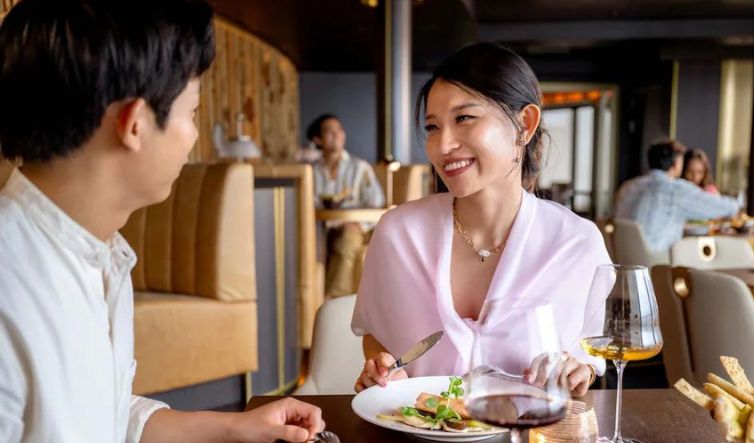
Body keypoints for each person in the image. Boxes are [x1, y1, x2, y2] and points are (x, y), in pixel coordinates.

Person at [0, 1, 324, 442]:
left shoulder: (102, 257)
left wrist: (236, 427)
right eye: (192, 113)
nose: (192, 136)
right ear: (134, 124)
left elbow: (107, 417)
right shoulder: (12, 288)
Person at [350, 43, 611, 397]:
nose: (443, 146)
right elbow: (377, 334)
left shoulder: (577, 244)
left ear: (525, 124)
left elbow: (587, 357)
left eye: (463, 119)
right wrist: (384, 369)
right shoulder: (399, 233)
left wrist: (578, 372)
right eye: (432, 127)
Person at [307, 114, 385, 297]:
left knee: (348, 240)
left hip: (355, 228)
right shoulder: (311, 172)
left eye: (339, 130)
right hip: (321, 230)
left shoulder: (359, 167)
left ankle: (335, 301)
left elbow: (376, 202)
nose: (337, 135)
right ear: (318, 139)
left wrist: (358, 224)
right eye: (329, 131)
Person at [615, 140, 739, 252]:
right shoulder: (674, 189)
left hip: (625, 258)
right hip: (659, 262)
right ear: (676, 164)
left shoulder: (627, 187)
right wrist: (737, 205)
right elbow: (720, 207)